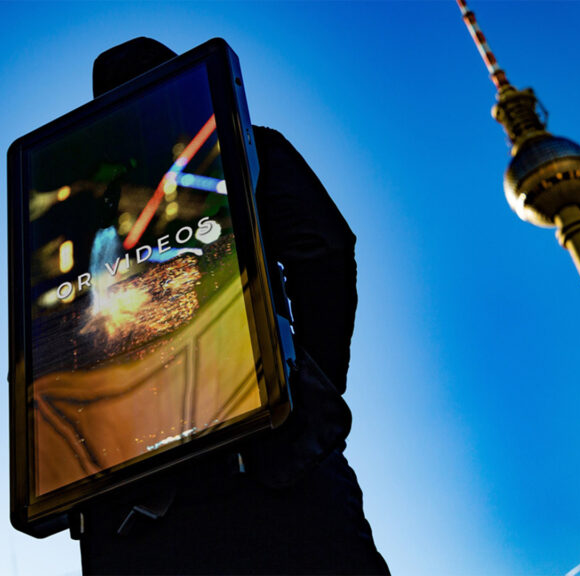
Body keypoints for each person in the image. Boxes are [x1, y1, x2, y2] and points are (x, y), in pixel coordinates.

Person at [78, 37, 389, 575]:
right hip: (271, 472)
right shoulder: (243, 147)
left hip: (134, 513)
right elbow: (324, 249)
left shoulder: (95, 218)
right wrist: (299, 382)